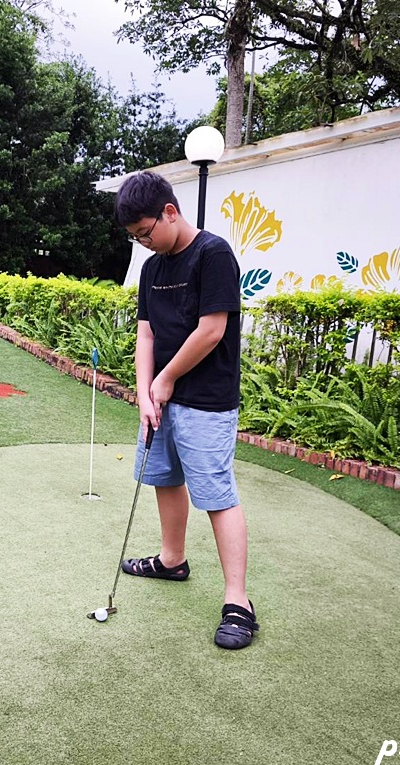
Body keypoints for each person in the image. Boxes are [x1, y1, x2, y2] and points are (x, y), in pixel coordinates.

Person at [114, 170, 258, 650]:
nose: (144, 243)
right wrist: (144, 391)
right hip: (162, 396)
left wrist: (166, 379)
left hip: (206, 401)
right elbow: (147, 333)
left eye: (145, 232)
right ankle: (172, 559)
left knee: (216, 493)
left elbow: (212, 329)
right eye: (135, 238)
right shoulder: (153, 269)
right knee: (164, 477)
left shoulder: (212, 255)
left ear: (169, 212)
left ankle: (239, 601)